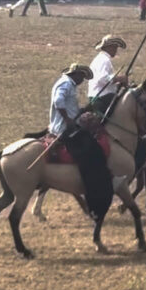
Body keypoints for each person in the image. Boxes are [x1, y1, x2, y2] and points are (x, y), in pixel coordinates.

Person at [48, 62, 113, 220]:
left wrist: (82, 110)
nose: (82, 81)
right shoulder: (65, 84)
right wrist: (68, 119)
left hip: (69, 124)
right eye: (82, 77)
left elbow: (67, 105)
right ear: (76, 74)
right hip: (65, 129)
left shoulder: (68, 84)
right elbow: (58, 101)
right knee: (92, 152)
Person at [88, 35, 128, 114]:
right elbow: (102, 79)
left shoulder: (101, 59)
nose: (115, 50)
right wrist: (119, 78)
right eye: (114, 47)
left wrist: (117, 84)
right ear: (108, 47)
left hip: (100, 97)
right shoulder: (103, 60)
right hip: (102, 98)